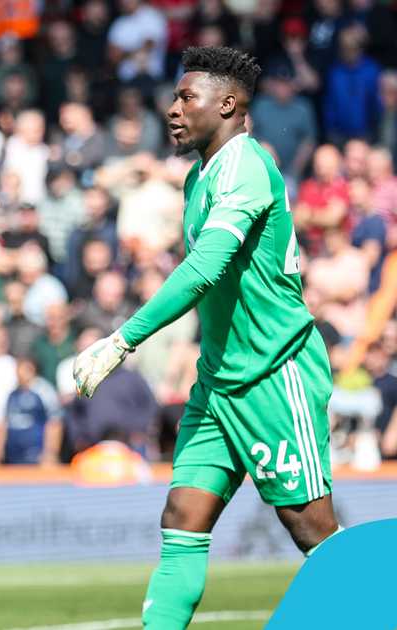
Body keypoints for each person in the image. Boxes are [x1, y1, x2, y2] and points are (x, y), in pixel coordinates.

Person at [72, 47, 341, 630]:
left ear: (227, 104)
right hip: (220, 380)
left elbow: (204, 270)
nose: (172, 110)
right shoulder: (201, 174)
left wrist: (122, 341)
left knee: (311, 528)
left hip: (274, 372)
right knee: (183, 515)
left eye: (184, 98)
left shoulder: (245, 165)